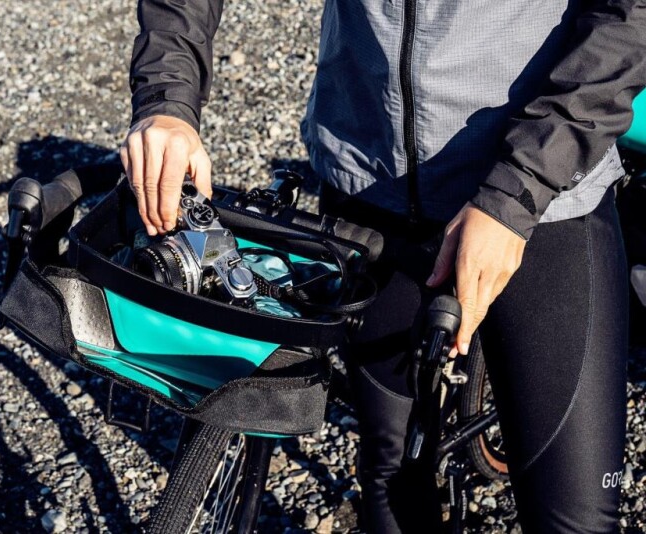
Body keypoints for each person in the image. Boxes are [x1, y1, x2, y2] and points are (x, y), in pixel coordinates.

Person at [120, 1, 645, 532]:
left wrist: (517, 192)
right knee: (391, 473)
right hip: (369, 189)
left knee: (573, 520)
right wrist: (167, 98)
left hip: (546, 205)